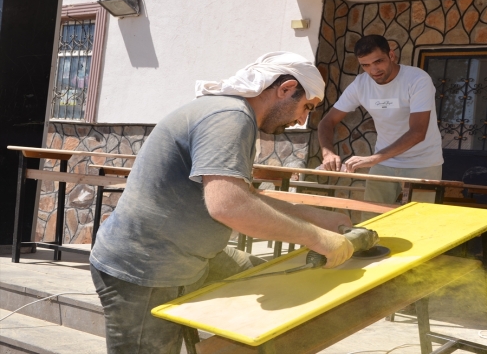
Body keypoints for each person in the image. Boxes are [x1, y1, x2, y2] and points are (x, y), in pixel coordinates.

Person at [89, 52, 354, 353]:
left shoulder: (228, 111)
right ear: (285, 89)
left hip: (188, 257)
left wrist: (319, 218)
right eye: (305, 107)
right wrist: (317, 238)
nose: (302, 120)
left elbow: (245, 197)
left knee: (271, 281)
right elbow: (228, 206)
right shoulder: (231, 117)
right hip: (144, 269)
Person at [318, 35, 443, 215]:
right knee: (370, 221)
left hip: (423, 162)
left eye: (378, 61)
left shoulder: (418, 79)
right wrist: (327, 152)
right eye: (365, 65)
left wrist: (372, 159)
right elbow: (326, 122)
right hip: (384, 162)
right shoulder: (360, 84)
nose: (373, 70)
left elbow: (418, 132)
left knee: (419, 222)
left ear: (391, 55)